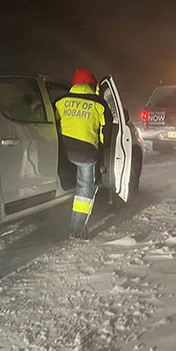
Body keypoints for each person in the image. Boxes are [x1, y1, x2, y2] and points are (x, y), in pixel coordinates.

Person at [55, 68, 112, 239]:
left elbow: (51, 123)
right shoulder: (99, 104)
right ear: (92, 85)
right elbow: (106, 134)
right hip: (86, 154)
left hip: (63, 151)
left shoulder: (60, 100)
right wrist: (101, 155)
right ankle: (77, 230)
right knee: (85, 189)